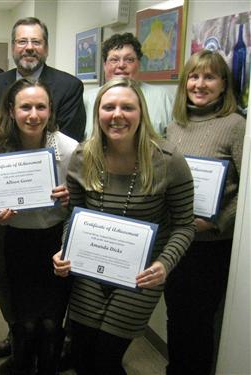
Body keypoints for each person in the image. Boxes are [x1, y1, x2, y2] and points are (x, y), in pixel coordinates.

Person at [52, 77, 196, 375]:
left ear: (141, 112)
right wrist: (65, 249)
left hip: (139, 277)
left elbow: (184, 225)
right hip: (89, 271)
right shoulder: (83, 156)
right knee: (80, 356)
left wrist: (164, 265)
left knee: (106, 358)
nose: (117, 115)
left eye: (127, 107)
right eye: (109, 107)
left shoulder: (169, 161)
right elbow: (74, 215)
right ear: (98, 113)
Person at [0, 78, 78, 374]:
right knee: (24, 323)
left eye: (41, 107)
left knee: (52, 323)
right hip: (15, 241)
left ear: (51, 111)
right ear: (11, 111)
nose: (33, 114)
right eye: (25, 107)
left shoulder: (69, 149)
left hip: (55, 243)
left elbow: (86, 200)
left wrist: (71, 197)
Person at [164, 50, 245, 375]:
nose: (199, 84)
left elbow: (248, 191)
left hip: (211, 245)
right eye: (193, 77)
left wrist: (216, 222)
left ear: (224, 84)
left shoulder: (236, 125)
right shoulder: (175, 125)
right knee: (176, 314)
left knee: (199, 322)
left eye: (209, 77)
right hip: (177, 242)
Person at [0, 17, 86, 142]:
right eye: (22, 41)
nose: (29, 47)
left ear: (46, 49)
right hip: (3, 158)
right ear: (12, 48)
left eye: (36, 42)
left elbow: (70, 139)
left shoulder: (70, 87)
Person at [82, 32, 173, 140]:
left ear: (139, 64)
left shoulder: (164, 98)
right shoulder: (86, 99)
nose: (121, 65)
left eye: (129, 59)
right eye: (114, 60)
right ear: (105, 65)